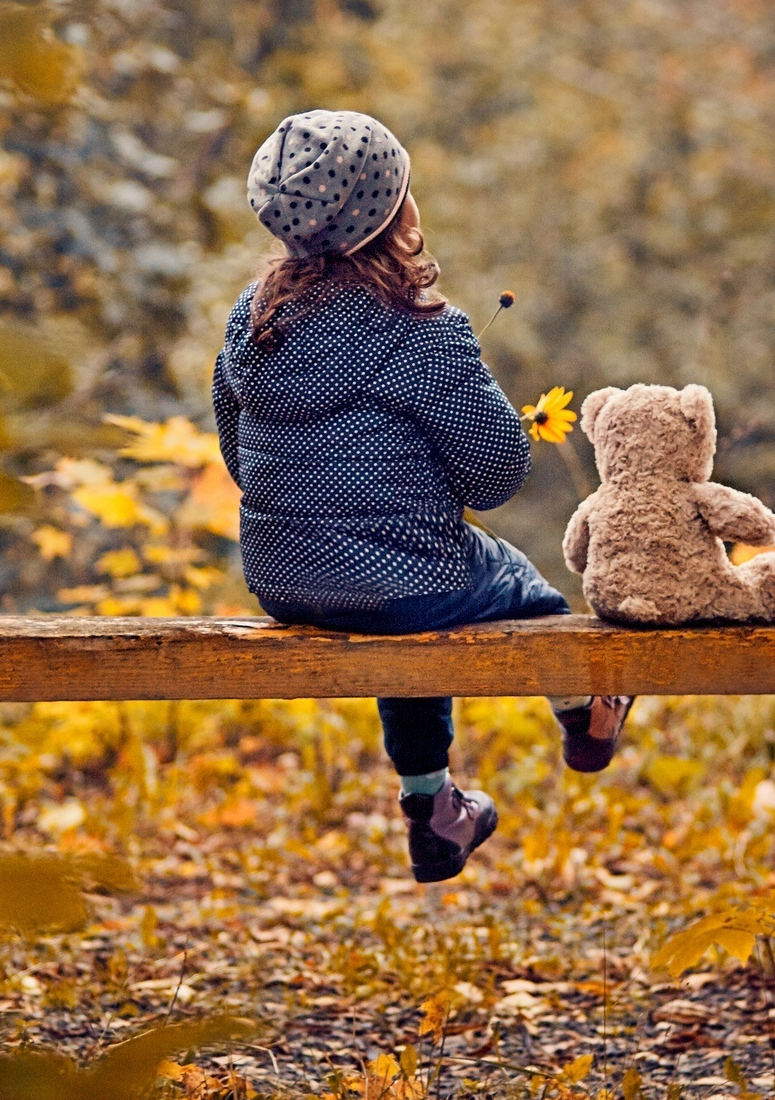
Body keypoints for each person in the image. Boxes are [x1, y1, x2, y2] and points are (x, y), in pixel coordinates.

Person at [211, 109, 635, 882]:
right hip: (402, 578)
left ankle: (434, 807)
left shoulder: (252, 321)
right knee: (509, 582)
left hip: (283, 578)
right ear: (394, 211)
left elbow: (239, 452)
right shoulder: (421, 331)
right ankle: (588, 710)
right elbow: (495, 477)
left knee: (405, 617)